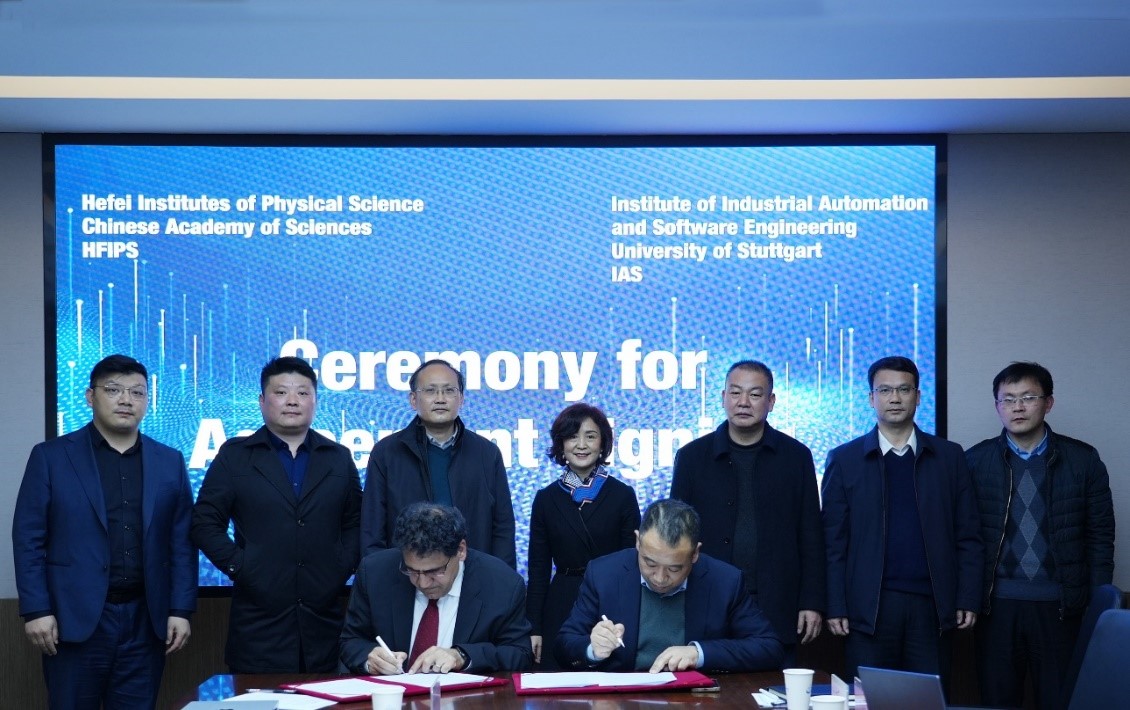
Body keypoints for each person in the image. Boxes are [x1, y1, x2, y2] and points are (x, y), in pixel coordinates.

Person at [12, 354, 196, 709]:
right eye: (113, 390)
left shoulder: (169, 461)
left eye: (137, 392)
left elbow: (182, 542)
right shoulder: (51, 457)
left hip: (146, 620)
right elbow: (28, 539)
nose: (126, 400)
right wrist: (36, 609)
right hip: (72, 619)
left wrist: (180, 609)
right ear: (90, 396)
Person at [191, 356, 362, 672]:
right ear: (262, 401)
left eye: (303, 393)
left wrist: (341, 567)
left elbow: (355, 522)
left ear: (315, 401)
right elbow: (204, 523)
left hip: (324, 618)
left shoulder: (338, 457)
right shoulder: (235, 455)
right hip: (259, 620)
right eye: (281, 392)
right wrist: (242, 566)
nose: (293, 401)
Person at [822, 356, 983, 685]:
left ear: (918, 396)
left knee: (927, 702)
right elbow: (832, 543)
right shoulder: (845, 459)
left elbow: (968, 535)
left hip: (932, 607)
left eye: (904, 390)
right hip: (869, 609)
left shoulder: (949, 456)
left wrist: (967, 596)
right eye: (885, 390)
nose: (894, 398)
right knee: (868, 701)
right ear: (871, 398)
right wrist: (836, 604)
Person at [966, 362, 1115, 710]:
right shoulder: (975, 461)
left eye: (1028, 397)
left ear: (1048, 403)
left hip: (1061, 607)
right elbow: (964, 539)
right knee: (997, 701)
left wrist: (1098, 606)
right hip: (996, 608)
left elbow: (1100, 537)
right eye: (1008, 399)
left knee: (1059, 700)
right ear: (997, 407)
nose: (1018, 407)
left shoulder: (1083, 460)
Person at [670, 360, 824, 665]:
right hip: (707, 599)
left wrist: (812, 601)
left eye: (755, 394)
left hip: (777, 601)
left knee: (776, 686)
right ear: (723, 397)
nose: (743, 402)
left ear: (771, 401)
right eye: (735, 392)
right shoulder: (691, 457)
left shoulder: (796, 457)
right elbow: (676, 535)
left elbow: (811, 535)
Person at [554, 498, 783, 672]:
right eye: (649, 563)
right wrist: (592, 649)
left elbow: (769, 647)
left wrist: (698, 653)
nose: (660, 578)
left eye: (674, 568)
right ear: (638, 541)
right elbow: (564, 645)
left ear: (695, 554)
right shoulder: (604, 573)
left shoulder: (724, 580)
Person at [340, 502, 533, 674]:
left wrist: (462, 656)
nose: (422, 584)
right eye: (412, 570)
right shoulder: (375, 573)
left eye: (434, 572)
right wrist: (370, 659)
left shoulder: (503, 584)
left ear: (461, 550)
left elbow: (519, 654)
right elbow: (351, 641)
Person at [362, 359, 516, 567]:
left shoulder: (487, 453)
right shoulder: (386, 453)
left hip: (473, 575)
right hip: (407, 575)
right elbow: (372, 529)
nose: (441, 399)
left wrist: (501, 579)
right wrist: (378, 578)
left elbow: (503, 527)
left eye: (449, 391)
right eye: (431, 391)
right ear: (413, 400)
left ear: (461, 399)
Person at [526, 403, 641, 669]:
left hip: (610, 599)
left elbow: (633, 563)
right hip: (562, 600)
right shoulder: (546, 499)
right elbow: (538, 569)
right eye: (572, 436)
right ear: (561, 445)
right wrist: (534, 627)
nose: (581, 445)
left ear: (603, 444)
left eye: (590, 436)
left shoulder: (623, 495)